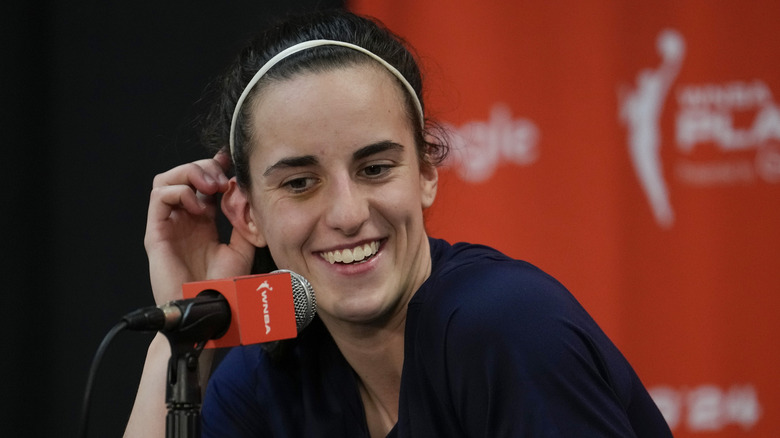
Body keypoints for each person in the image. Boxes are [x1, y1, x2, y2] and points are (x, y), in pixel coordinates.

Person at [125, 9, 672, 437]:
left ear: (426, 174)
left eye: (376, 168)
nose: (348, 214)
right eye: (299, 183)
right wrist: (182, 332)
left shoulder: (508, 328)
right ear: (247, 216)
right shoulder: (267, 379)